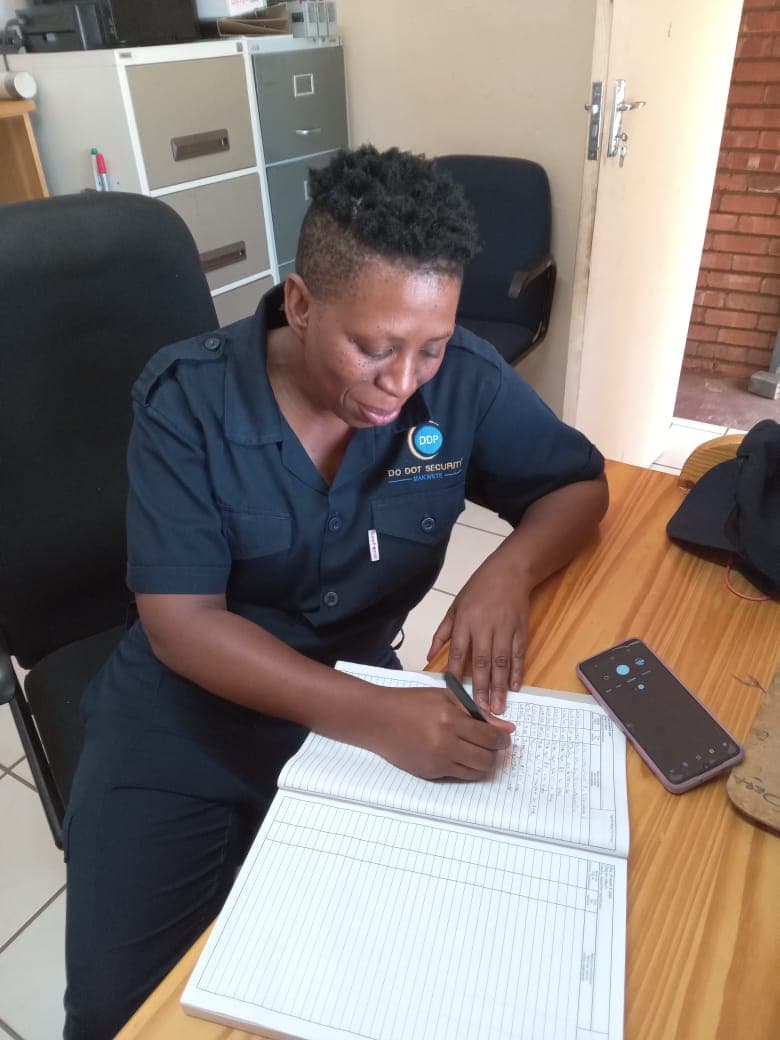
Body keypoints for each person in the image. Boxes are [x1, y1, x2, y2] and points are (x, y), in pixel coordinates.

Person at [63, 144, 608, 1038]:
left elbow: (578, 486)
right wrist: (378, 719)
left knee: (366, 988)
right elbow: (182, 627)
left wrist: (505, 572)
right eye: (375, 348)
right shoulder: (188, 400)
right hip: (182, 723)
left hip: (355, 707)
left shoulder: (457, 377)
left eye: (428, 347)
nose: (402, 384)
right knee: (121, 1016)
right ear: (303, 303)